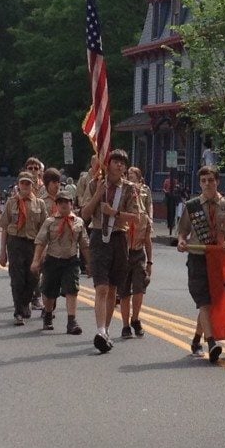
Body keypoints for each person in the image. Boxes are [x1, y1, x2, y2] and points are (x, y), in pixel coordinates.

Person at [82, 149, 143, 353]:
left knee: (113, 289)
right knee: (101, 287)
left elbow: (136, 217)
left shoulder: (129, 189)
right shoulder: (94, 184)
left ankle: (106, 330)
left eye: (122, 163)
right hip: (99, 236)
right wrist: (98, 195)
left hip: (119, 237)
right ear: (107, 164)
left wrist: (114, 212)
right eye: (115, 161)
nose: (119, 165)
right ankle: (99, 330)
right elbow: (85, 214)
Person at [177, 166, 225, 363]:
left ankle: (197, 339)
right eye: (203, 180)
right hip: (197, 255)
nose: (207, 184)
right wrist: (180, 241)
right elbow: (183, 231)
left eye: (210, 180)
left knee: (212, 303)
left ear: (217, 181)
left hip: (218, 259)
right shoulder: (192, 206)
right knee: (203, 300)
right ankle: (212, 341)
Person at [31, 191, 90, 335]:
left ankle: (72, 322)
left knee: (72, 290)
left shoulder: (78, 222)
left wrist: (89, 263)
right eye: (61, 202)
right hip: (52, 260)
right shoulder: (50, 222)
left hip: (70, 261)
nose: (64, 205)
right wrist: (36, 261)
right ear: (56, 205)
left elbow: (84, 245)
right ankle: (49, 315)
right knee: (49, 293)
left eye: (67, 202)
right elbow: (40, 242)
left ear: (71, 204)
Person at [0, 172, 48, 325]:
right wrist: (2, 252)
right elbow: (5, 227)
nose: (25, 186)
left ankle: (25, 302)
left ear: (33, 185)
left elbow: (44, 229)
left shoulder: (39, 204)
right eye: (22, 183)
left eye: (28, 184)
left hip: (33, 244)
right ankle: (18, 311)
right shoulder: (11, 203)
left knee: (32, 278)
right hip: (15, 242)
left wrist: (43, 251)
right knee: (17, 278)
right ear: (18, 185)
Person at [117, 197, 153, 338]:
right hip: (123, 254)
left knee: (139, 289)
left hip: (138, 254)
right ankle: (125, 325)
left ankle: (135, 319)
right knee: (124, 292)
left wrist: (150, 262)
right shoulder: (121, 217)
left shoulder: (144, 218)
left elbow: (148, 241)